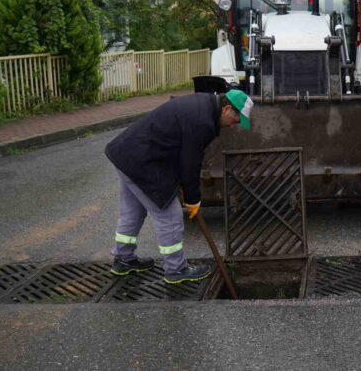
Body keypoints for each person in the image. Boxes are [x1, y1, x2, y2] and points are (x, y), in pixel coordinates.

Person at [105, 90, 254, 284]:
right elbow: (190, 162)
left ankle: (123, 259)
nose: (235, 124)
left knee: (133, 211)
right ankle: (176, 269)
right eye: (237, 118)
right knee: (170, 216)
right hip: (143, 161)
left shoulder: (204, 104)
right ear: (226, 109)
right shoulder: (203, 122)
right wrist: (193, 199)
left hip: (126, 153)